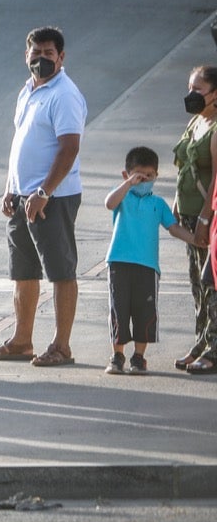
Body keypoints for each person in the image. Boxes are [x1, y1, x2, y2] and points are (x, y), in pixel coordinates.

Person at [0, 26, 85, 368]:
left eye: (48, 54)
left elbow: (69, 148)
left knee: (60, 270)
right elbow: (23, 144)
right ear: (26, 55)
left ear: (61, 57)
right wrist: (11, 188)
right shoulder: (28, 90)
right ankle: (22, 340)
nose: (41, 59)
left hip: (51, 198)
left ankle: (61, 345)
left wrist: (44, 191)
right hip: (22, 198)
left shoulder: (65, 94)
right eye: (35, 53)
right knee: (23, 271)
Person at [102, 147, 197, 375]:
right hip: (119, 263)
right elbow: (109, 203)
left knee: (144, 312)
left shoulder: (157, 203)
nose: (144, 180)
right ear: (127, 175)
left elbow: (173, 227)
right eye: (139, 176)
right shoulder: (122, 197)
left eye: (149, 176)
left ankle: (139, 357)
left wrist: (197, 240)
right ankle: (117, 355)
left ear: (156, 175)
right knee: (119, 310)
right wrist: (128, 185)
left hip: (147, 267)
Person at [172, 66, 217, 374]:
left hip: (207, 218)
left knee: (211, 284)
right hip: (188, 212)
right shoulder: (196, 121)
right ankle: (201, 340)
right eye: (190, 88)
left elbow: (216, 177)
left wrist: (204, 217)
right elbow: (185, 165)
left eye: (198, 90)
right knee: (196, 284)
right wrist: (178, 203)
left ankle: (213, 347)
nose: (191, 95)